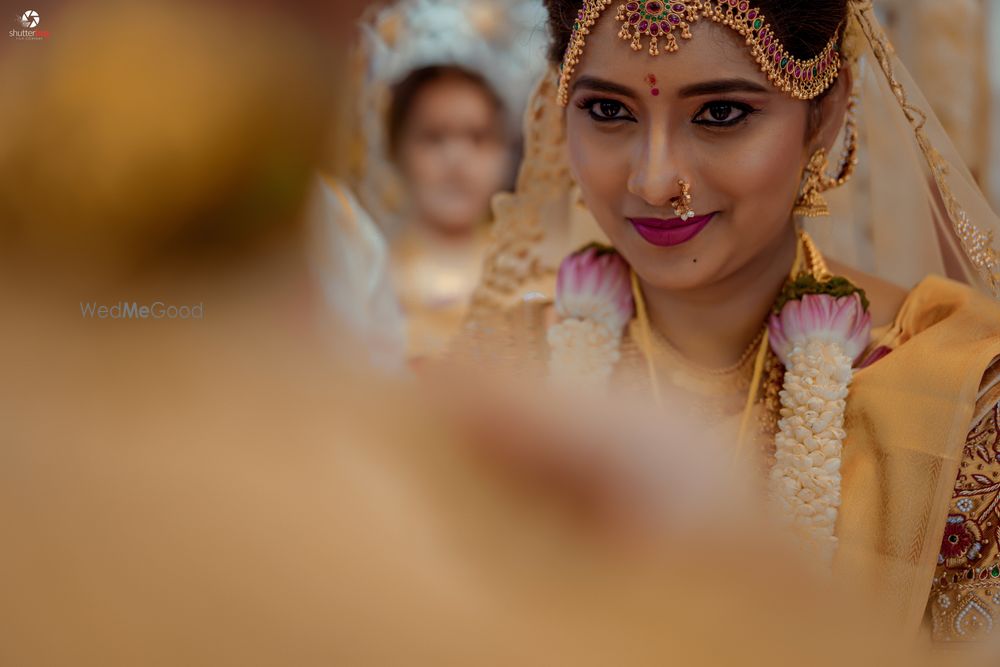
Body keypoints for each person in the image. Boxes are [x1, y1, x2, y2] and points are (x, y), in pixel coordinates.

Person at [459, 0, 1000, 643]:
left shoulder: (958, 397)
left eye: (720, 113)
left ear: (823, 115)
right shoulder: (494, 380)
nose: (655, 181)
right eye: (608, 110)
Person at [335, 0, 547, 359]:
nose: (456, 162)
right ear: (396, 147)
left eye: (478, 138)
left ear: (510, 150)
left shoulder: (537, 280)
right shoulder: (364, 279)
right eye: (433, 137)